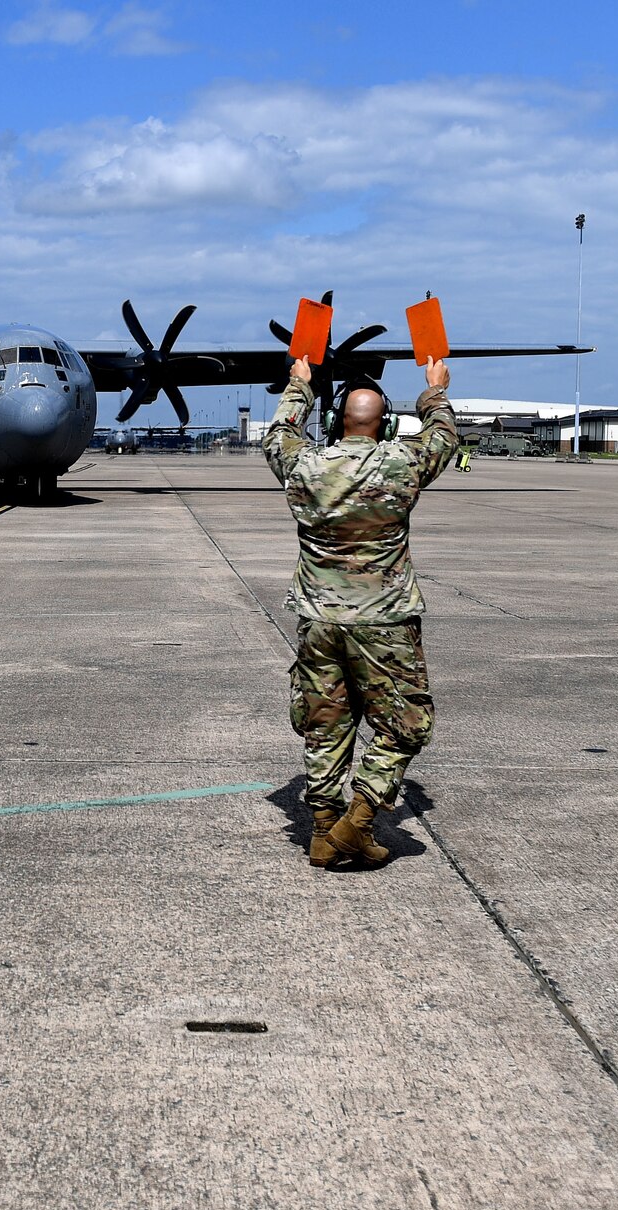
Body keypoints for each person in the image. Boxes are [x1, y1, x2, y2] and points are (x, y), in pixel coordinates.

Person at [263, 356, 463, 869]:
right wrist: (433, 390)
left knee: (326, 723)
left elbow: (279, 434)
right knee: (405, 727)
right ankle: (358, 818)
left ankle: (324, 832)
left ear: (334, 423)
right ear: (387, 425)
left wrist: (299, 386)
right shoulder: (401, 463)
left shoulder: (306, 466)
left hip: (320, 621)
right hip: (384, 622)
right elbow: (442, 437)